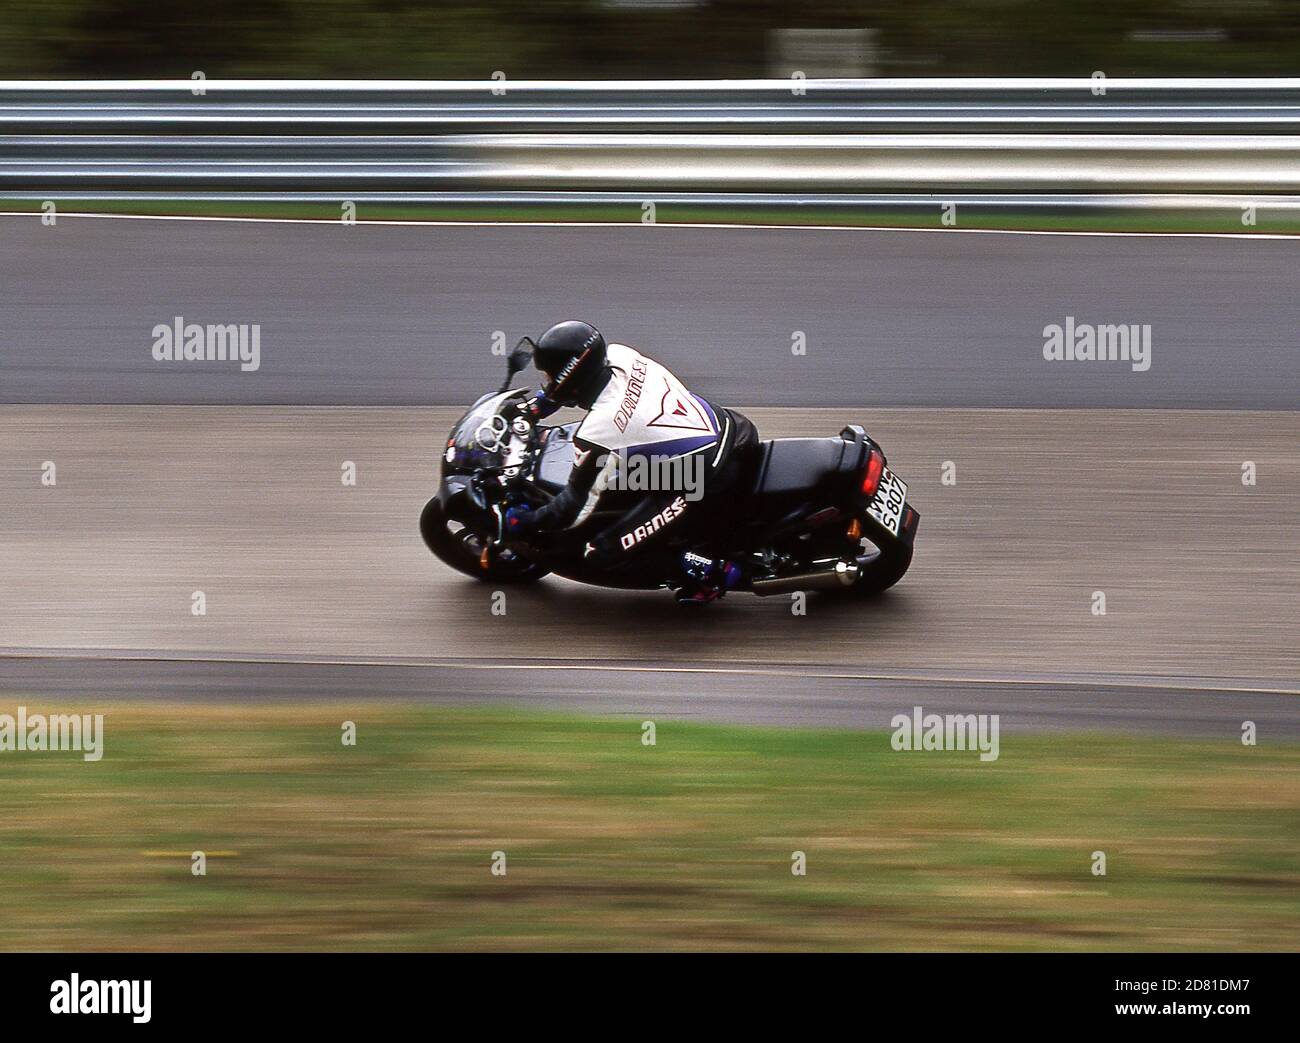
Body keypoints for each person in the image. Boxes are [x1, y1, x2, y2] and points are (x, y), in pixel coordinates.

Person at [501, 320, 758, 603]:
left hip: (704, 476)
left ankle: (713, 571)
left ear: (568, 378)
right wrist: (535, 408)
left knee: (601, 552)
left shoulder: (600, 428)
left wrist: (526, 521)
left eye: (549, 377)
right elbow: (573, 382)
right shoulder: (621, 354)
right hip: (731, 426)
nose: (547, 383)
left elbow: (575, 505)